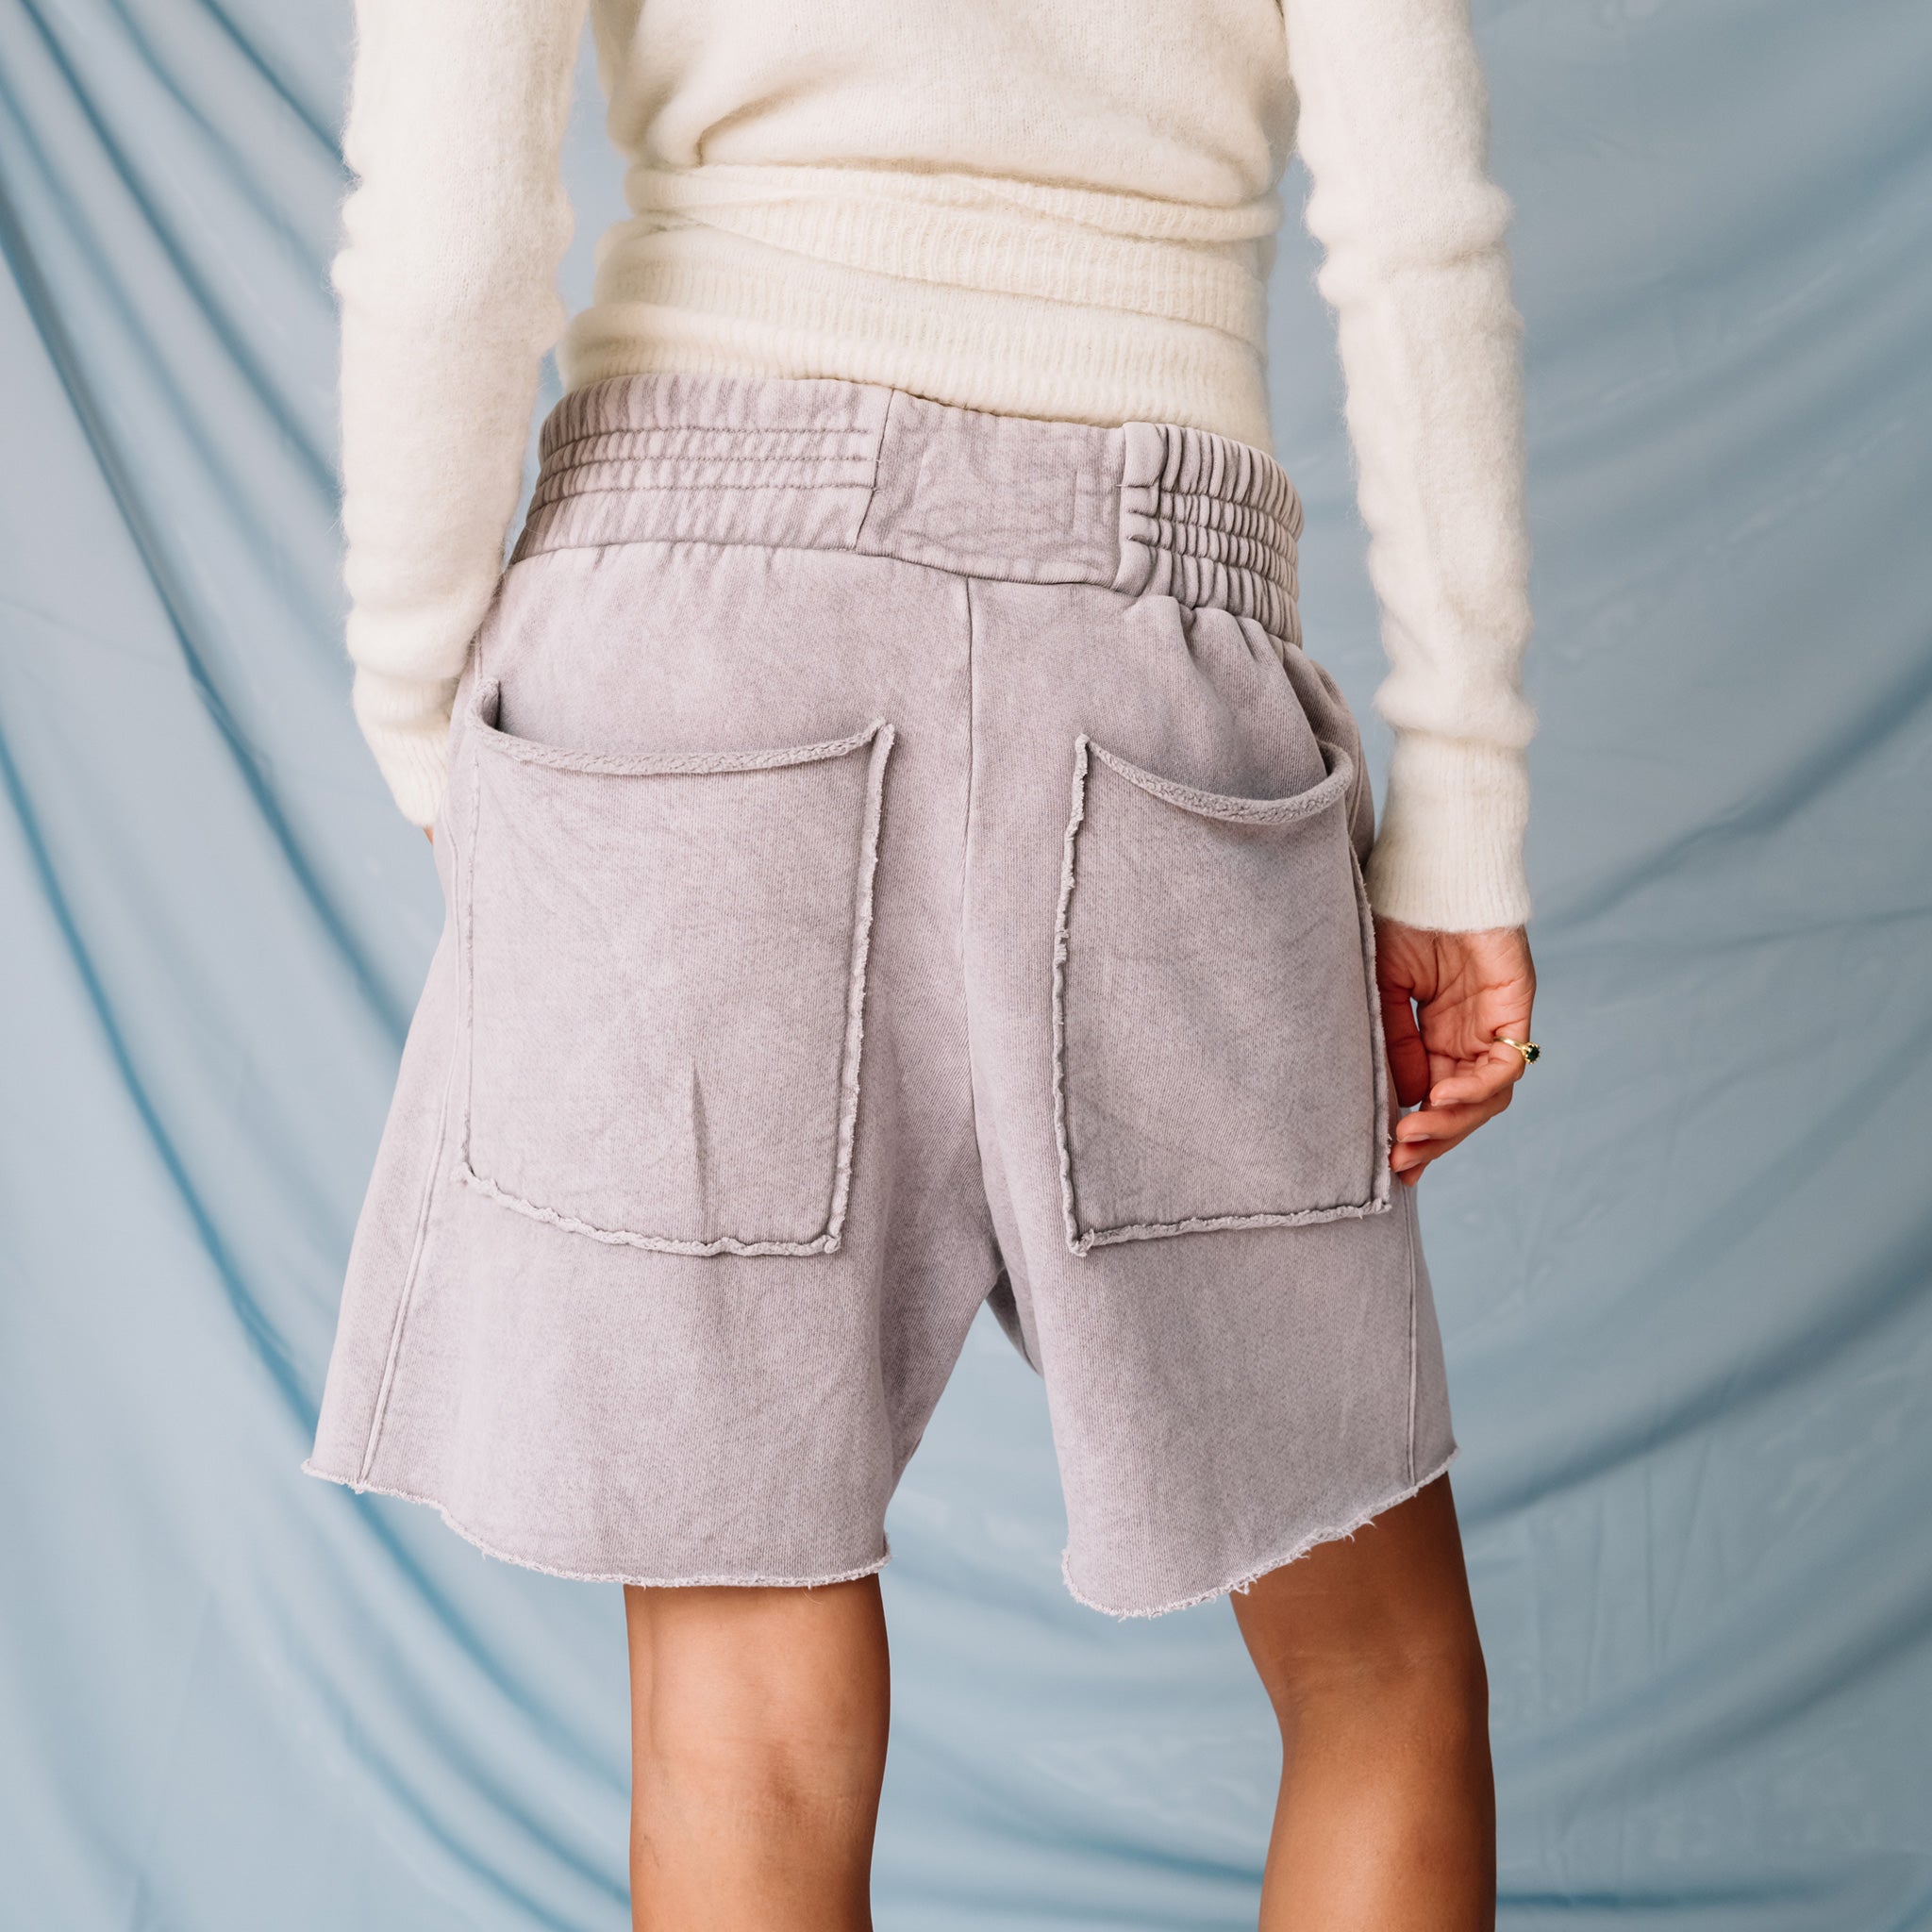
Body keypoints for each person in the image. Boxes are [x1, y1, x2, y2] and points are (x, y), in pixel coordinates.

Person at [303, 0, 1541, 1924]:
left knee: (744, 1703)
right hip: (1147, 618)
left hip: (691, 620)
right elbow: (1415, 220)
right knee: (1373, 1669)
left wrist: (419, 710)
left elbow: (450, 216)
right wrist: (1459, 807)